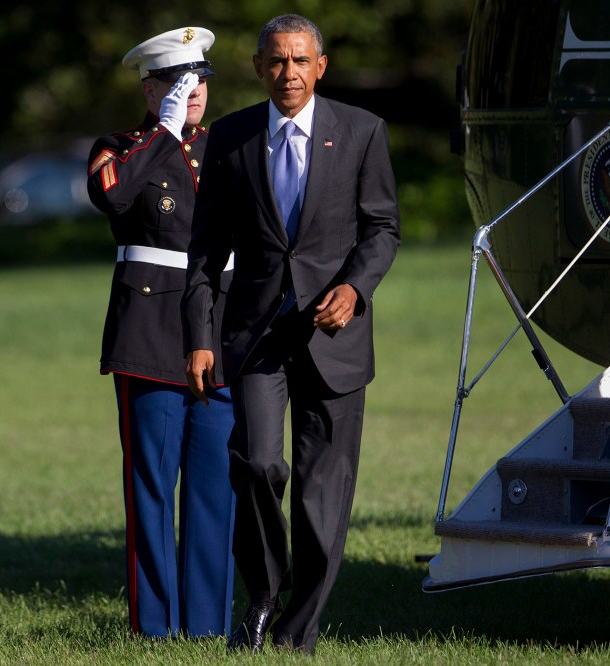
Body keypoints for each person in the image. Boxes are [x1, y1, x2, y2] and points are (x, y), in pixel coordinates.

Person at [182, 13, 401, 654]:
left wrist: (355, 287)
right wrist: (198, 335)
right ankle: (265, 591)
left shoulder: (362, 133)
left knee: (319, 499)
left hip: (336, 339)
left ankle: (294, 635)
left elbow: (382, 228)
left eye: (300, 60)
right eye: (277, 61)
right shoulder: (229, 138)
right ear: (259, 67)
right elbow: (203, 253)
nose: (289, 73)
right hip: (255, 336)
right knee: (256, 462)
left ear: (320, 66)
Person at [86, 26, 236, 639]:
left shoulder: (227, 145)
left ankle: (205, 628)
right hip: (149, 329)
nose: (192, 90)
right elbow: (113, 196)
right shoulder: (119, 146)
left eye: (198, 78)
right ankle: (154, 626)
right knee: (151, 483)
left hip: (221, 328)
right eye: (177, 81)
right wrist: (164, 133)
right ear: (151, 91)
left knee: (213, 487)